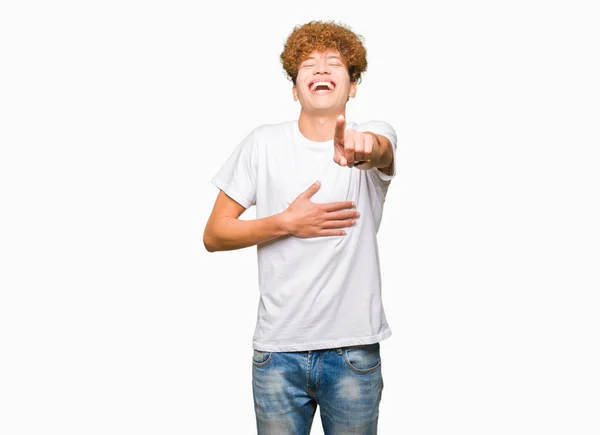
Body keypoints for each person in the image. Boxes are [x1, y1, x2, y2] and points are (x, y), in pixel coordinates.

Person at [204, 20, 397, 435]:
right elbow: (214, 234)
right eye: (309, 64)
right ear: (295, 88)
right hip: (277, 356)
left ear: (353, 85)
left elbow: (379, 152)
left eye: (334, 64)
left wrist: (365, 150)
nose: (322, 70)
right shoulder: (262, 144)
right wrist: (285, 222)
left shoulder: (373, 134)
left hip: (352, 354)